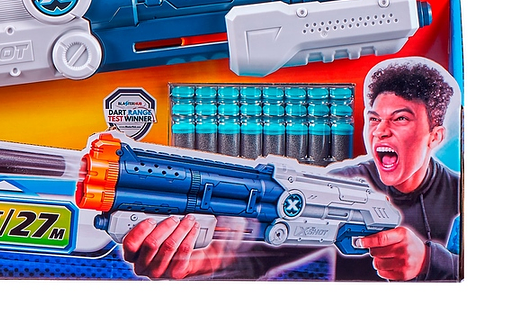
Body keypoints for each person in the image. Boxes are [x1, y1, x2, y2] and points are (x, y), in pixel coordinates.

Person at [121, 58, 461, 281]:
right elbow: (259, 250)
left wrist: (428, 262)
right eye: (374, 119)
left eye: (400, 119)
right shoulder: (344, 182)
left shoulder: (461, 194)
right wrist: (197, 264)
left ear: (435, 136)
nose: (380, 132)